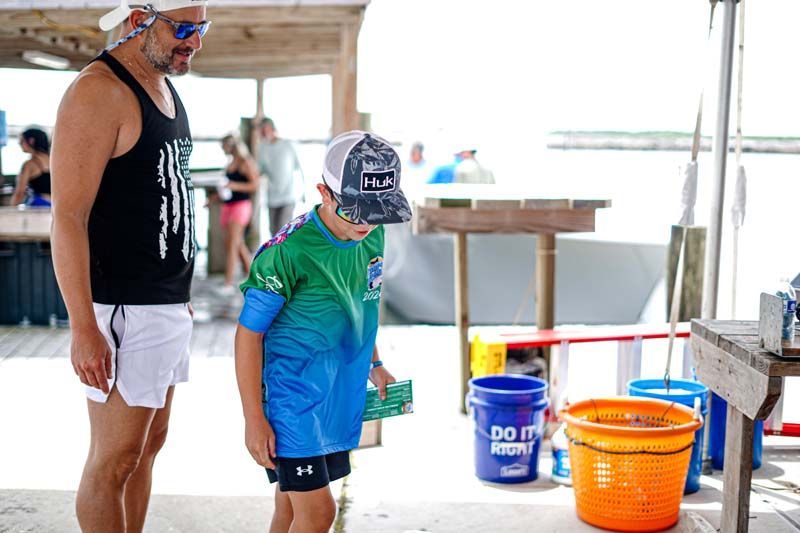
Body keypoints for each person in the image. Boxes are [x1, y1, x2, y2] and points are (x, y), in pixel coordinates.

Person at [49, 1, 209, 531]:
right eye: (183, 28)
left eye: (201, 28)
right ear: (140, 18)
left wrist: (179, 293)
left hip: (165, 303)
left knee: (146, 449)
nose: (195, 42)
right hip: (122, 308)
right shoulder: (98, 92)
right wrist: (83, 328)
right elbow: (67, 218)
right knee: (113, 460)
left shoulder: (164, 83)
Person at [234, 131, 412, 533]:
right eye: (357, 211)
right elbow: (248, 334)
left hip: (335, 397)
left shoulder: (373, 234)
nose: (368, 222)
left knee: (290, 512)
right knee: (319, 515)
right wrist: (253, 418)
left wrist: (376, 364)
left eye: (378, 211)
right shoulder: (288, 252)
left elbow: (361, 305)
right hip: (291, 403)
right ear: (325, 193)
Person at [219, 134, 259, 289]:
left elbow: (255, 185)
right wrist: (214, 199)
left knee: (233, 245)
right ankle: (254, 276)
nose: (222, 149)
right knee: (236, 243)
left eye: (224, 146)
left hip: (241, 206)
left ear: (231, 146)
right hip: (228, 205)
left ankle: (228, 284)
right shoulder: (230, 163)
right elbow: (226, 185)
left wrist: (234, 186)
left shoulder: (245, 162)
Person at [257, 117, 304, 236]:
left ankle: (287, 255)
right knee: (273, 232)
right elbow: (259, 171)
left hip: (288, 197)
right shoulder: (262, 147)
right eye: (260, 130)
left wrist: (303, 192)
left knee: (284, 232)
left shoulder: (287, 145)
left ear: (271, 128)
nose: (263, 132)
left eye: (264, 129)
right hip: (272, 197)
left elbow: (299, 169)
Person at [10, 127, 52, 206]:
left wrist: (11, 211)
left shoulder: (29, 165)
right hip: (54, 206)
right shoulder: (53, 161)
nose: (19, 143)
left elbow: (19, 193)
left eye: (22, 141)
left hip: (39, 206)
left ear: (31, 141)